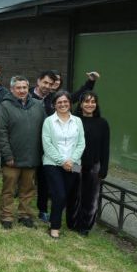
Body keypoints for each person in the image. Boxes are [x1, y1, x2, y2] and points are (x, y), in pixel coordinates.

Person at [0, 76, 47, 230]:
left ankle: (25, 215)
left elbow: (45, 129)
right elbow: (1, 132)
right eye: (18, 88)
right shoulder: (4, 106)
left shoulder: (38, 105)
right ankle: (7, 216)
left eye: (24, 87)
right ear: (12, 89)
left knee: (28, 189)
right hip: (12, 158)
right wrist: (7, 155)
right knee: (8, 189)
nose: (22, 90)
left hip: (32, 156)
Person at [42, 91, 86, 239]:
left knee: (64, 196)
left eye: (65, 102)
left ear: (70, 103)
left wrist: (72, 161)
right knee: (58, 194)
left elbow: (81, 143)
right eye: (59, 102)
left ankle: (53, 221)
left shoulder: (78, 121)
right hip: (52, 163)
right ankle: (55, 227)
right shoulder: (48, 121)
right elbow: (47, 145)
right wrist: (62, 161)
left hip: (74, 164)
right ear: (54, 104)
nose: (63, 104)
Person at [73, 89, 110, 236]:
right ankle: (73, 221)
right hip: (77, 164)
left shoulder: (102, 123)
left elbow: (105, 148)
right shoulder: (74, 121)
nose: (90, 104)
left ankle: (85, 226)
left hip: (94, 165)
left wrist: (104, 169)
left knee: (90, 197)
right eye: (86, 101)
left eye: (93, 102)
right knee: (76, 194)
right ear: (81, 104)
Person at [32, 70, 58, 223]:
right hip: (29, 144)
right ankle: (23, 210)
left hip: (46, 147)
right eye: (45, 82)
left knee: (44, 180)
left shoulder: (54, 100)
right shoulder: (27, 94)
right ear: (38, 81)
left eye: (50, 84)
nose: (47, 86)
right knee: (26, 180)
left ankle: (42, 210)